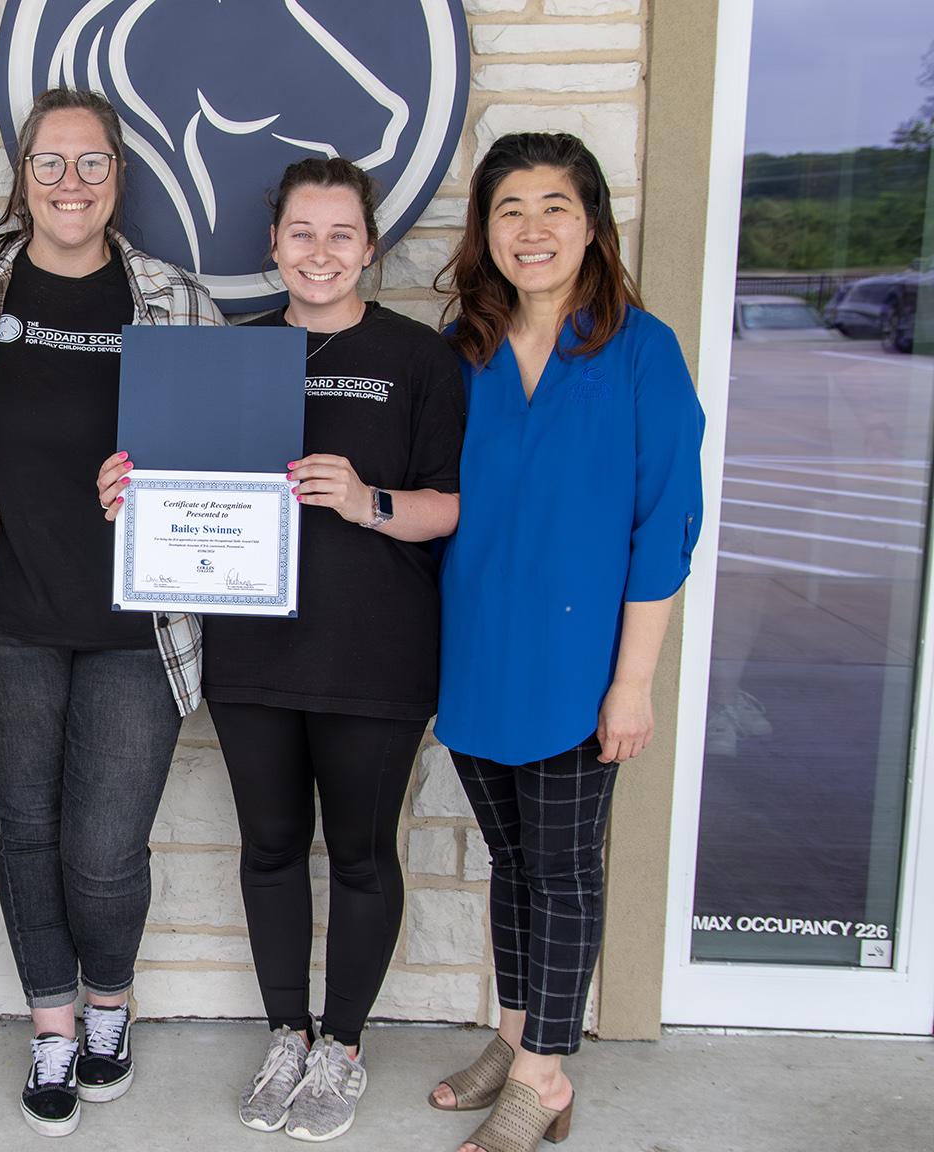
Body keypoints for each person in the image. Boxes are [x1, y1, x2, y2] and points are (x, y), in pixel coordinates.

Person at [112, 157, 466, 1142]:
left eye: (340, 233)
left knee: (358, 853)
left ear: (371, 246)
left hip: (376, 654)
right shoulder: (228, 358)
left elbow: (453, 505)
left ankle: (341, 1047)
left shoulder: (420, 360)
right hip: (255, 654)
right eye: (300, 233)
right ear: (272, 246)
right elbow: (176, 490)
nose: (319, 252)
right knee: (269, 849)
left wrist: (366, 501)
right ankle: (286, 1033)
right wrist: (132, 498)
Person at [0, 87, 224, 1137]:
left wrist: (169, 480)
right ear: (23, 175)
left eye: (91, 163)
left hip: (137, 627)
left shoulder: (175, 300)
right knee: (26, 832)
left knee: (105, 850)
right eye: (50, 163)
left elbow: (231, 468)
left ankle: (111, 1005)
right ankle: (53, 1024)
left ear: (118, 176)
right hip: (3, 613)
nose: (70, 182)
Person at [430, 132, 704, 1152]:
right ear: (485, 230)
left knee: (565, 865)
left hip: (583, 665)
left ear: (591, 223)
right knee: (513, 860)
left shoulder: (642, 349)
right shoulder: (466, 352)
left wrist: (633, 684)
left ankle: (544, 1077)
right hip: (478, 651)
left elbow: (665, 524)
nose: (531, 229)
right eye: (509, 209)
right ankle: (514, 1033)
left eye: (554, 206)